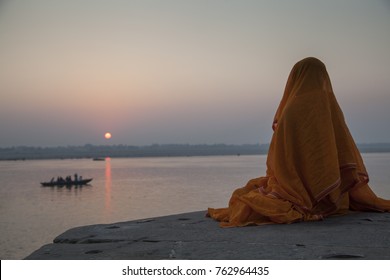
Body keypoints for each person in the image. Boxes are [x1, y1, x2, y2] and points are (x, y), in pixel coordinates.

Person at [207, 57, 390, 227]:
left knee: (249, 197)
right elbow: (343, 151)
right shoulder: (330, 107)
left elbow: (283, 156)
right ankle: (323, 198)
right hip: (331, 191)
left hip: (296, 183)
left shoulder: (291, 109)